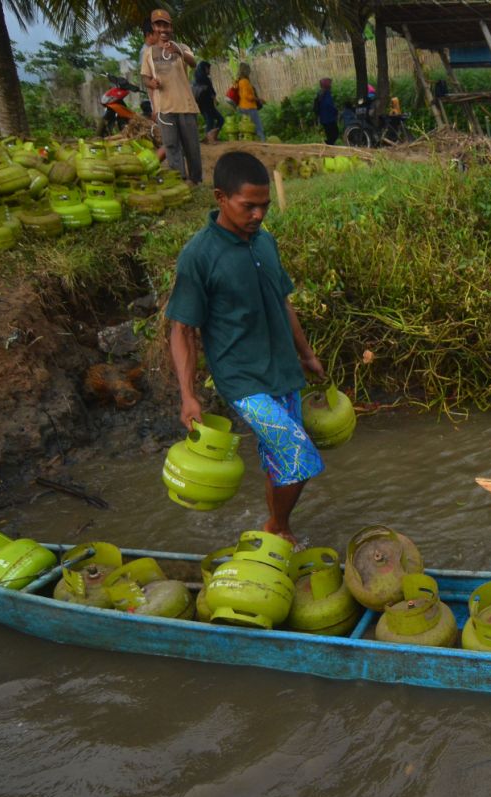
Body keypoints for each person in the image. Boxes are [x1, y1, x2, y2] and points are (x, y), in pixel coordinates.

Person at [166, 152, 326, 545]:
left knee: (280, 460)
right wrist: (188, 397)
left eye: (264, 206)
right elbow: (182, 329)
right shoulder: (199, 255)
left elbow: (282, 301)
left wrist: (306, 354)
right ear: (221, 198)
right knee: (297, 455)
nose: (258, 215)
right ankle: (276, 527)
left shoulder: (265, 242)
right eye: (248, 206)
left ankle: (278, 525)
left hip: (282, 368)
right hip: (242, 378)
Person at [140, 9, 202, 183]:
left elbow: (193, 62)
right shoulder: (149, 53)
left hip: (185, 105)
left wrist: (178, 51)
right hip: (164, 108)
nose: (163, 29)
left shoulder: (182, 47)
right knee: (171, 145)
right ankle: (179, 179)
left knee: (191, 147)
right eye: (159, 25)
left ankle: (195, 179)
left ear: (171, 27)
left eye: (166, 25)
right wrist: (151, 83)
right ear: (154, 27)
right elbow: (145, 77)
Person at [192, 61, 224, 143]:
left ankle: (210, 138)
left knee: (211, 121)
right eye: (209, 68)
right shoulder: (206, 79)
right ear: (205, 68)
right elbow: (212, 93)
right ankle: (210, 138)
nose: (209, 70)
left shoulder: (196, 80)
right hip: (208, 105)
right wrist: (215, 101)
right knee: (217, 120)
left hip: (201, 105)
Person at [234, 63, 266, 142]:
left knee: (246, 129)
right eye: (249, 70)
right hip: (249, 107)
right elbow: (247, 96)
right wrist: (258, 99)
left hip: (242, 106)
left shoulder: (239, 81)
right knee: (258, 127)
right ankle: (263, 143)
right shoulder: (245, 81)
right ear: (246, 71)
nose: (250, 71)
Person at [313, 77, 338, 145]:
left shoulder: (320, 93)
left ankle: (328, 145)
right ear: (327, 85)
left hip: (324, 119)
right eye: (330, 83)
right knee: (334, 135)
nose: (331, 85)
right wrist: (335, 110)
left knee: (331, 135)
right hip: (329, 119)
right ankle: (328, 146)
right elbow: (329, 105)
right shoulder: (326, 93)